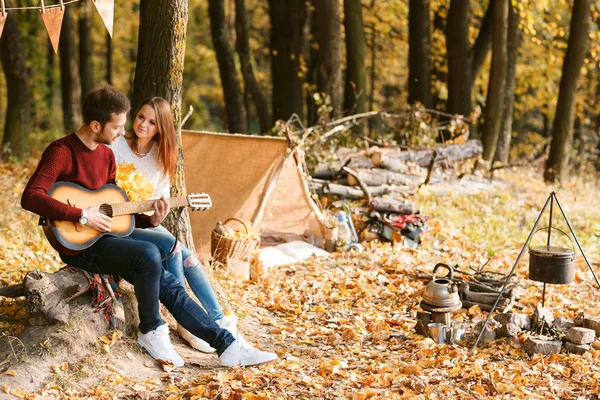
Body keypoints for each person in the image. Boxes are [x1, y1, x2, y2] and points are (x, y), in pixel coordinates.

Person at [20, 85, 277, 368]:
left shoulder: (105, 156)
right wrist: (82, 215)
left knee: (167, 280)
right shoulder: (62, 151)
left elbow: (115, 206)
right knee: (149, 254)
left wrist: (151, 219)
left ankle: (227, 344)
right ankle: (151, 329)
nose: (122, 132)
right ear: (96, 125)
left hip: (106, 238)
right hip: (76, 244)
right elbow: (32, 196)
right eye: (117, 127)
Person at [108, 97, 238, 353]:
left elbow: (157, 209)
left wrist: (157, 217)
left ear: (161, 128)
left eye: (152, 122)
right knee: (175, 249)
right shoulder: (116, 144)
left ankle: (219, 317)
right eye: (141, 117)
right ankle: (187, 323)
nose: (143, 124)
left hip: (144, 223)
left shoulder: (161, 158)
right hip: (117, 224)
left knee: (189, 258)